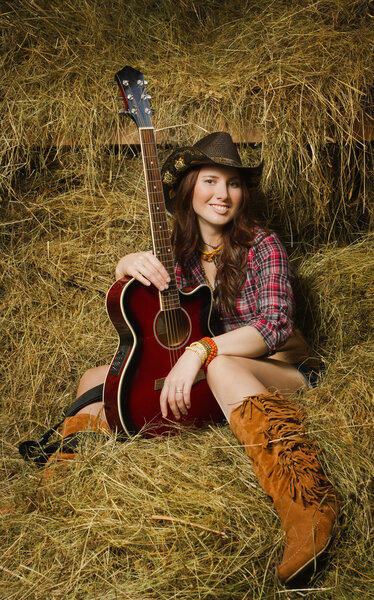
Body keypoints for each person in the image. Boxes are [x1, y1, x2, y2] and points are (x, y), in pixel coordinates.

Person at [21, 132, 339, 584]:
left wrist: (200, 351)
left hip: (283, 369)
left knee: (222, 364)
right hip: (216, 369)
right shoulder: (180, 252)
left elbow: (275, 327)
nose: (222, 194)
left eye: (233, 184)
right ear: (189, 189)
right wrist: (125, 267)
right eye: (210, 180)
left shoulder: (262, 244)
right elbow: (140, 301)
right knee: (98, 376)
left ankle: (307, 504)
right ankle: (56, 487)